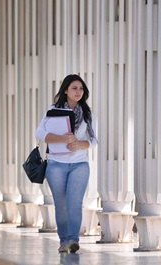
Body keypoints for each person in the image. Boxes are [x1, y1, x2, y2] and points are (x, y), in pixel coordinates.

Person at [36, 74, 97, 253]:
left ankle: (73, 240)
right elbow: (39, 133)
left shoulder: (87, 113)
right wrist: (62, 139)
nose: (78, 91)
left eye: (81, 88)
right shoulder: (53, 110)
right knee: (61, 204)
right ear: (65, 91)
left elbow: (93, 141)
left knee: (75, 204)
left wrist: (79, 144)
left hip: (79, 164)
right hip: (55, 164)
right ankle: (64, 240)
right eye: (74, 88)